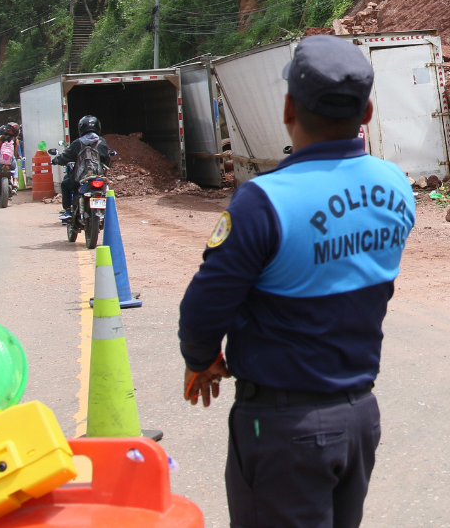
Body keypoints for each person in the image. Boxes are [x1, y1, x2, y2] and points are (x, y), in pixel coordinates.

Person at [177, 34, 415, 528]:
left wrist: (201, 360)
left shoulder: (264, 202)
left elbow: (204, 308)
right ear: (367, 113)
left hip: (285, 431)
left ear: (288, 107)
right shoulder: (395, 186)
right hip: (359, 420)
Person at [52, 115, 110, 221]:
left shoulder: (77, 143)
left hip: (81, 177)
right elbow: (107, 159)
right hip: (99, 176)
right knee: (106, 191)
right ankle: (106, 212)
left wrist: (57, 160)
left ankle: (68, 211)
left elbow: (65, 157)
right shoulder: (102, 142)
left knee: (65, 184)